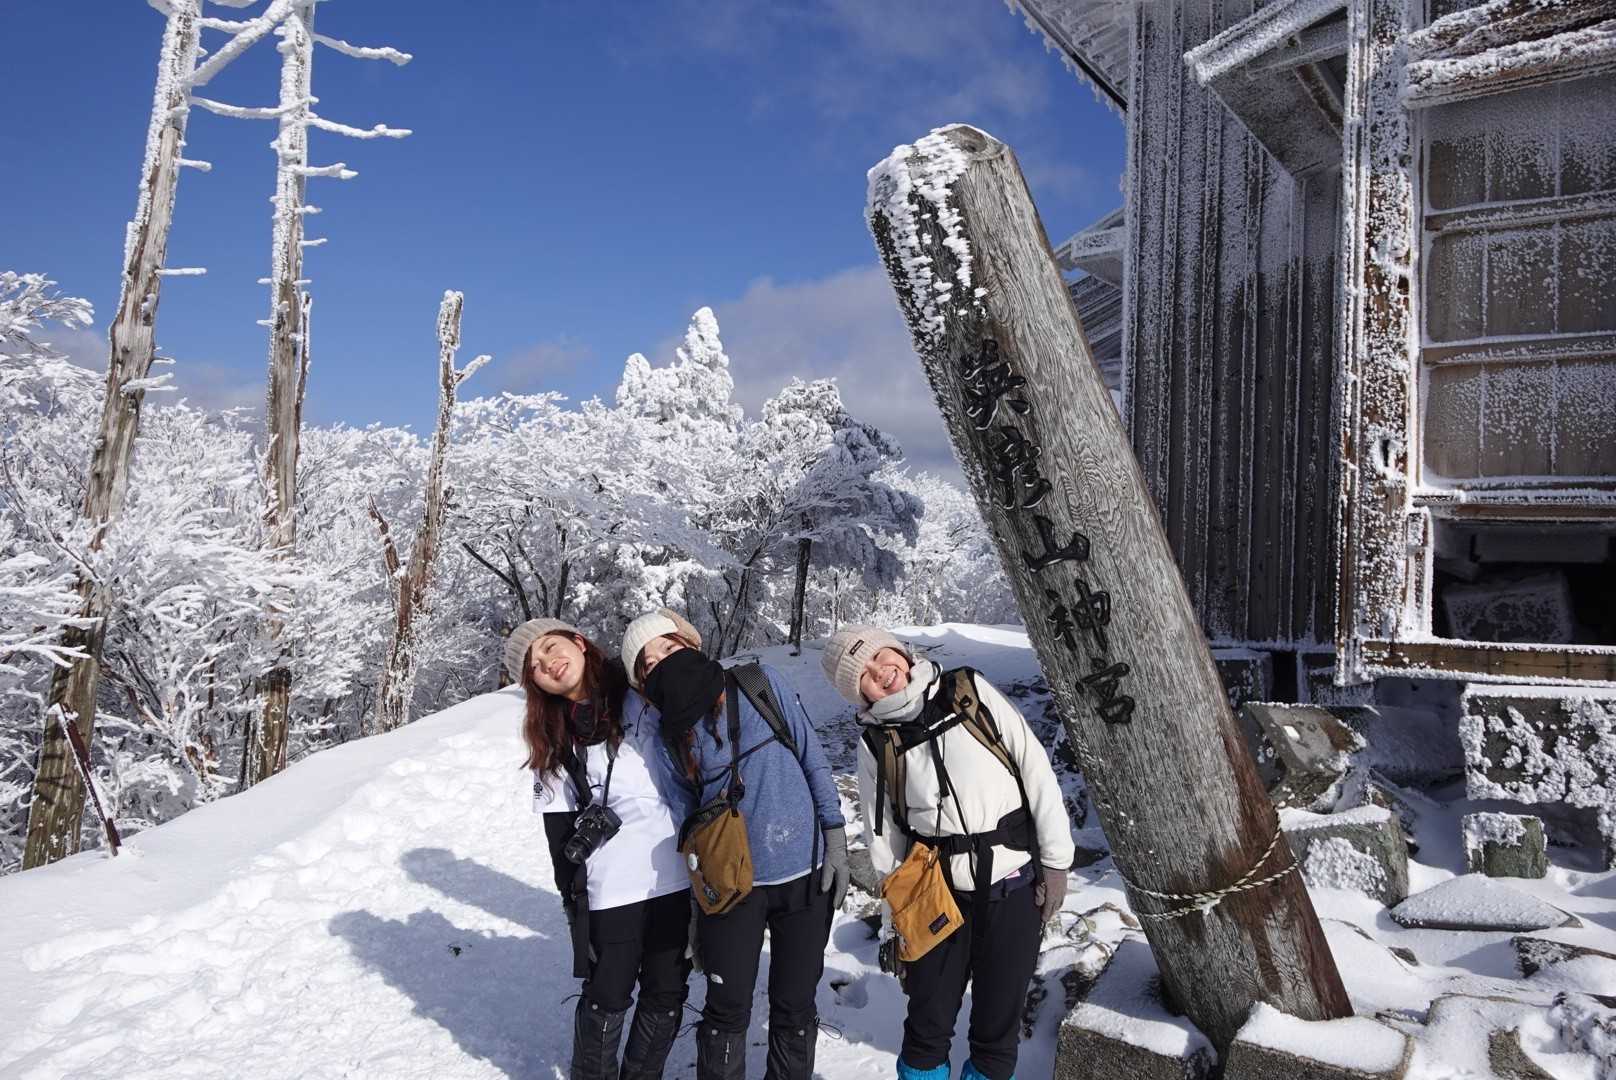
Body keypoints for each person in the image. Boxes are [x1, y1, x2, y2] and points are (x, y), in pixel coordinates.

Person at [821, 626, 1075, 1080]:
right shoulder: (877, 742)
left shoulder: (967, 692)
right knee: (926, 1027)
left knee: (996, 1031)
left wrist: (1056, 863)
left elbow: (1035, 770)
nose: (880, 672)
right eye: (863, 676)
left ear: (899, 651)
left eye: (880, 656)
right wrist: (898, 922)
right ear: (858, 694)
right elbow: (884, 840)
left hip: (1012, 885)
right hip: (934, 896)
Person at [620, 610, 850, 1080]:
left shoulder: (759, 682)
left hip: (804, 873)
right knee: (726, 1010)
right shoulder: (669, 738)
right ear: (644, 683)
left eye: (668, 646)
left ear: (690, 643)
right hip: (730, 888)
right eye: (650, 663)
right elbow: (688, 824)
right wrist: (697, 903)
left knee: (795, 1005)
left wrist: (835, 836)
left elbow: (812, 757)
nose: (664, 661)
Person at [509, 616, 694, 1080]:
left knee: (667, 992)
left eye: (550, 647)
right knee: (607, 996)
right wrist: (575, 907)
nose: (548, 663)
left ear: (578, 641)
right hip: (611, 888)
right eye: (534, 666)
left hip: (677, 874)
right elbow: (559, 837)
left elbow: (685, 661)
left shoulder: (640, 691)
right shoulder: (553, 738)